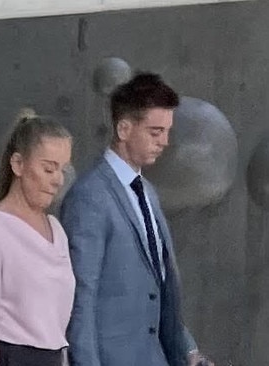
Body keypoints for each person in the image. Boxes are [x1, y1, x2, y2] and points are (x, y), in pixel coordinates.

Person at [60, 73, 213, 366]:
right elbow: (80, 299)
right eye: (155, 132)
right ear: (124, 128)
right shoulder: (89, 197)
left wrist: (189, 350)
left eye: (167, 131)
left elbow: (158, 290)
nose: (165, 142)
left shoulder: (148, 193)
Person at [0, 109, 75, 366]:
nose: (58, 180)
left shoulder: (56, 230)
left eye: (62, 170)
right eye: (48, 169)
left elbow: (57, 322)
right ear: (18, 164)